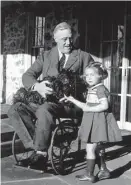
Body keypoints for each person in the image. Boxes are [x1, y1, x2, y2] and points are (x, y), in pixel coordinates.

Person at [8, 22, 94, 167]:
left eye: (70, 38)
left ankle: (41, 153)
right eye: (64, 39)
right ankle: (36, 146)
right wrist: (37, 86)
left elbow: (92, 82)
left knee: (44, 109)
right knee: (16, 109)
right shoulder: (46, 56)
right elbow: (27, 76)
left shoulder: (83, 57)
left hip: (71, 104)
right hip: (47, 101)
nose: (68, 43)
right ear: (55, 38)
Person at [60, 62, 122, 182]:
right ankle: (104, 170)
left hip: (96, 123)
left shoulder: (100, 89)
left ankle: (89, 174)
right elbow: (86, 106)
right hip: (92, 121)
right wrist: (72, 99)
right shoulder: (93, 88)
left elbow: (104, 105)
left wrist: (89, 109)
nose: (88, 77)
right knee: (98, 148)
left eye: (92, 75)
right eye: (87, 75)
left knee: (90, 149)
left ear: (101, 75)